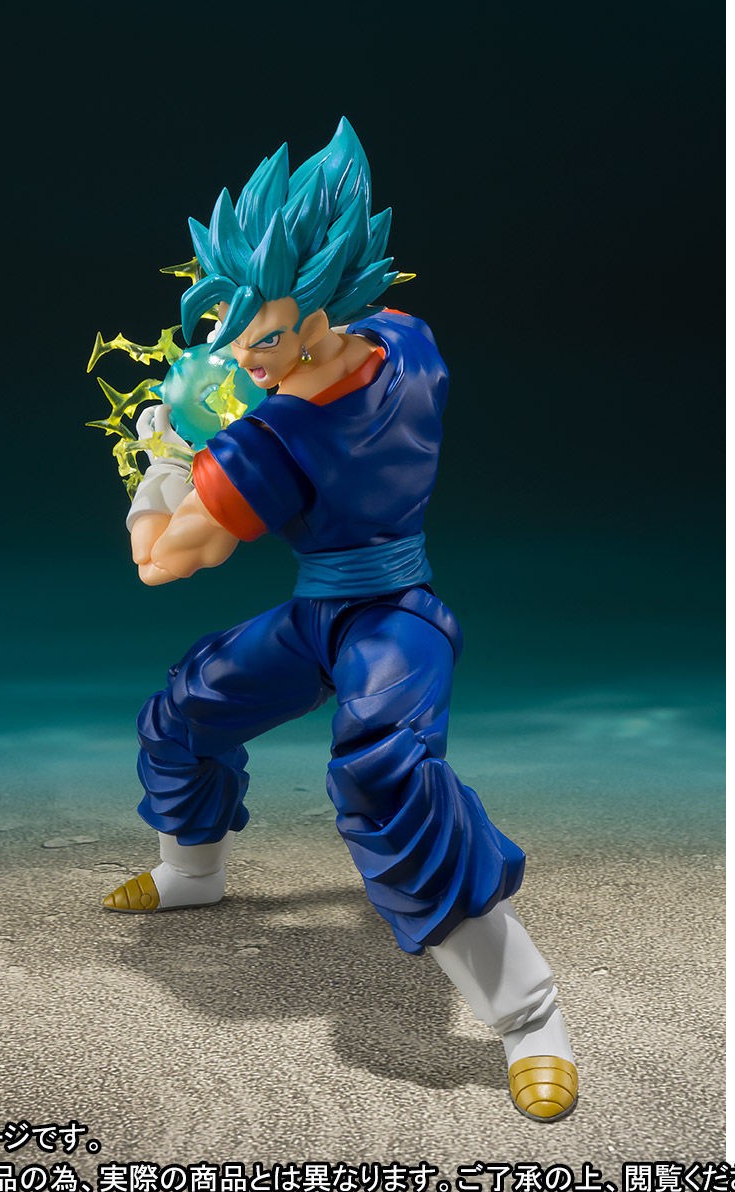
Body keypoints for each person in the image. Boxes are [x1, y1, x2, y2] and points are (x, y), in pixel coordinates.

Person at [104, 119, 578, 1122]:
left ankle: (531, 1019)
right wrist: (224, 420)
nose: (243, 358)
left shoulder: (269, 446)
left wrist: (163, 467)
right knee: (191, 704)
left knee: (385, 776)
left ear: (321, 314)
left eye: (262, 337)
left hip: (395, 624)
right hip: (323, 612)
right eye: (231, 329)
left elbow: (161, 562)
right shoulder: (408, 338)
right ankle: (191, 872)